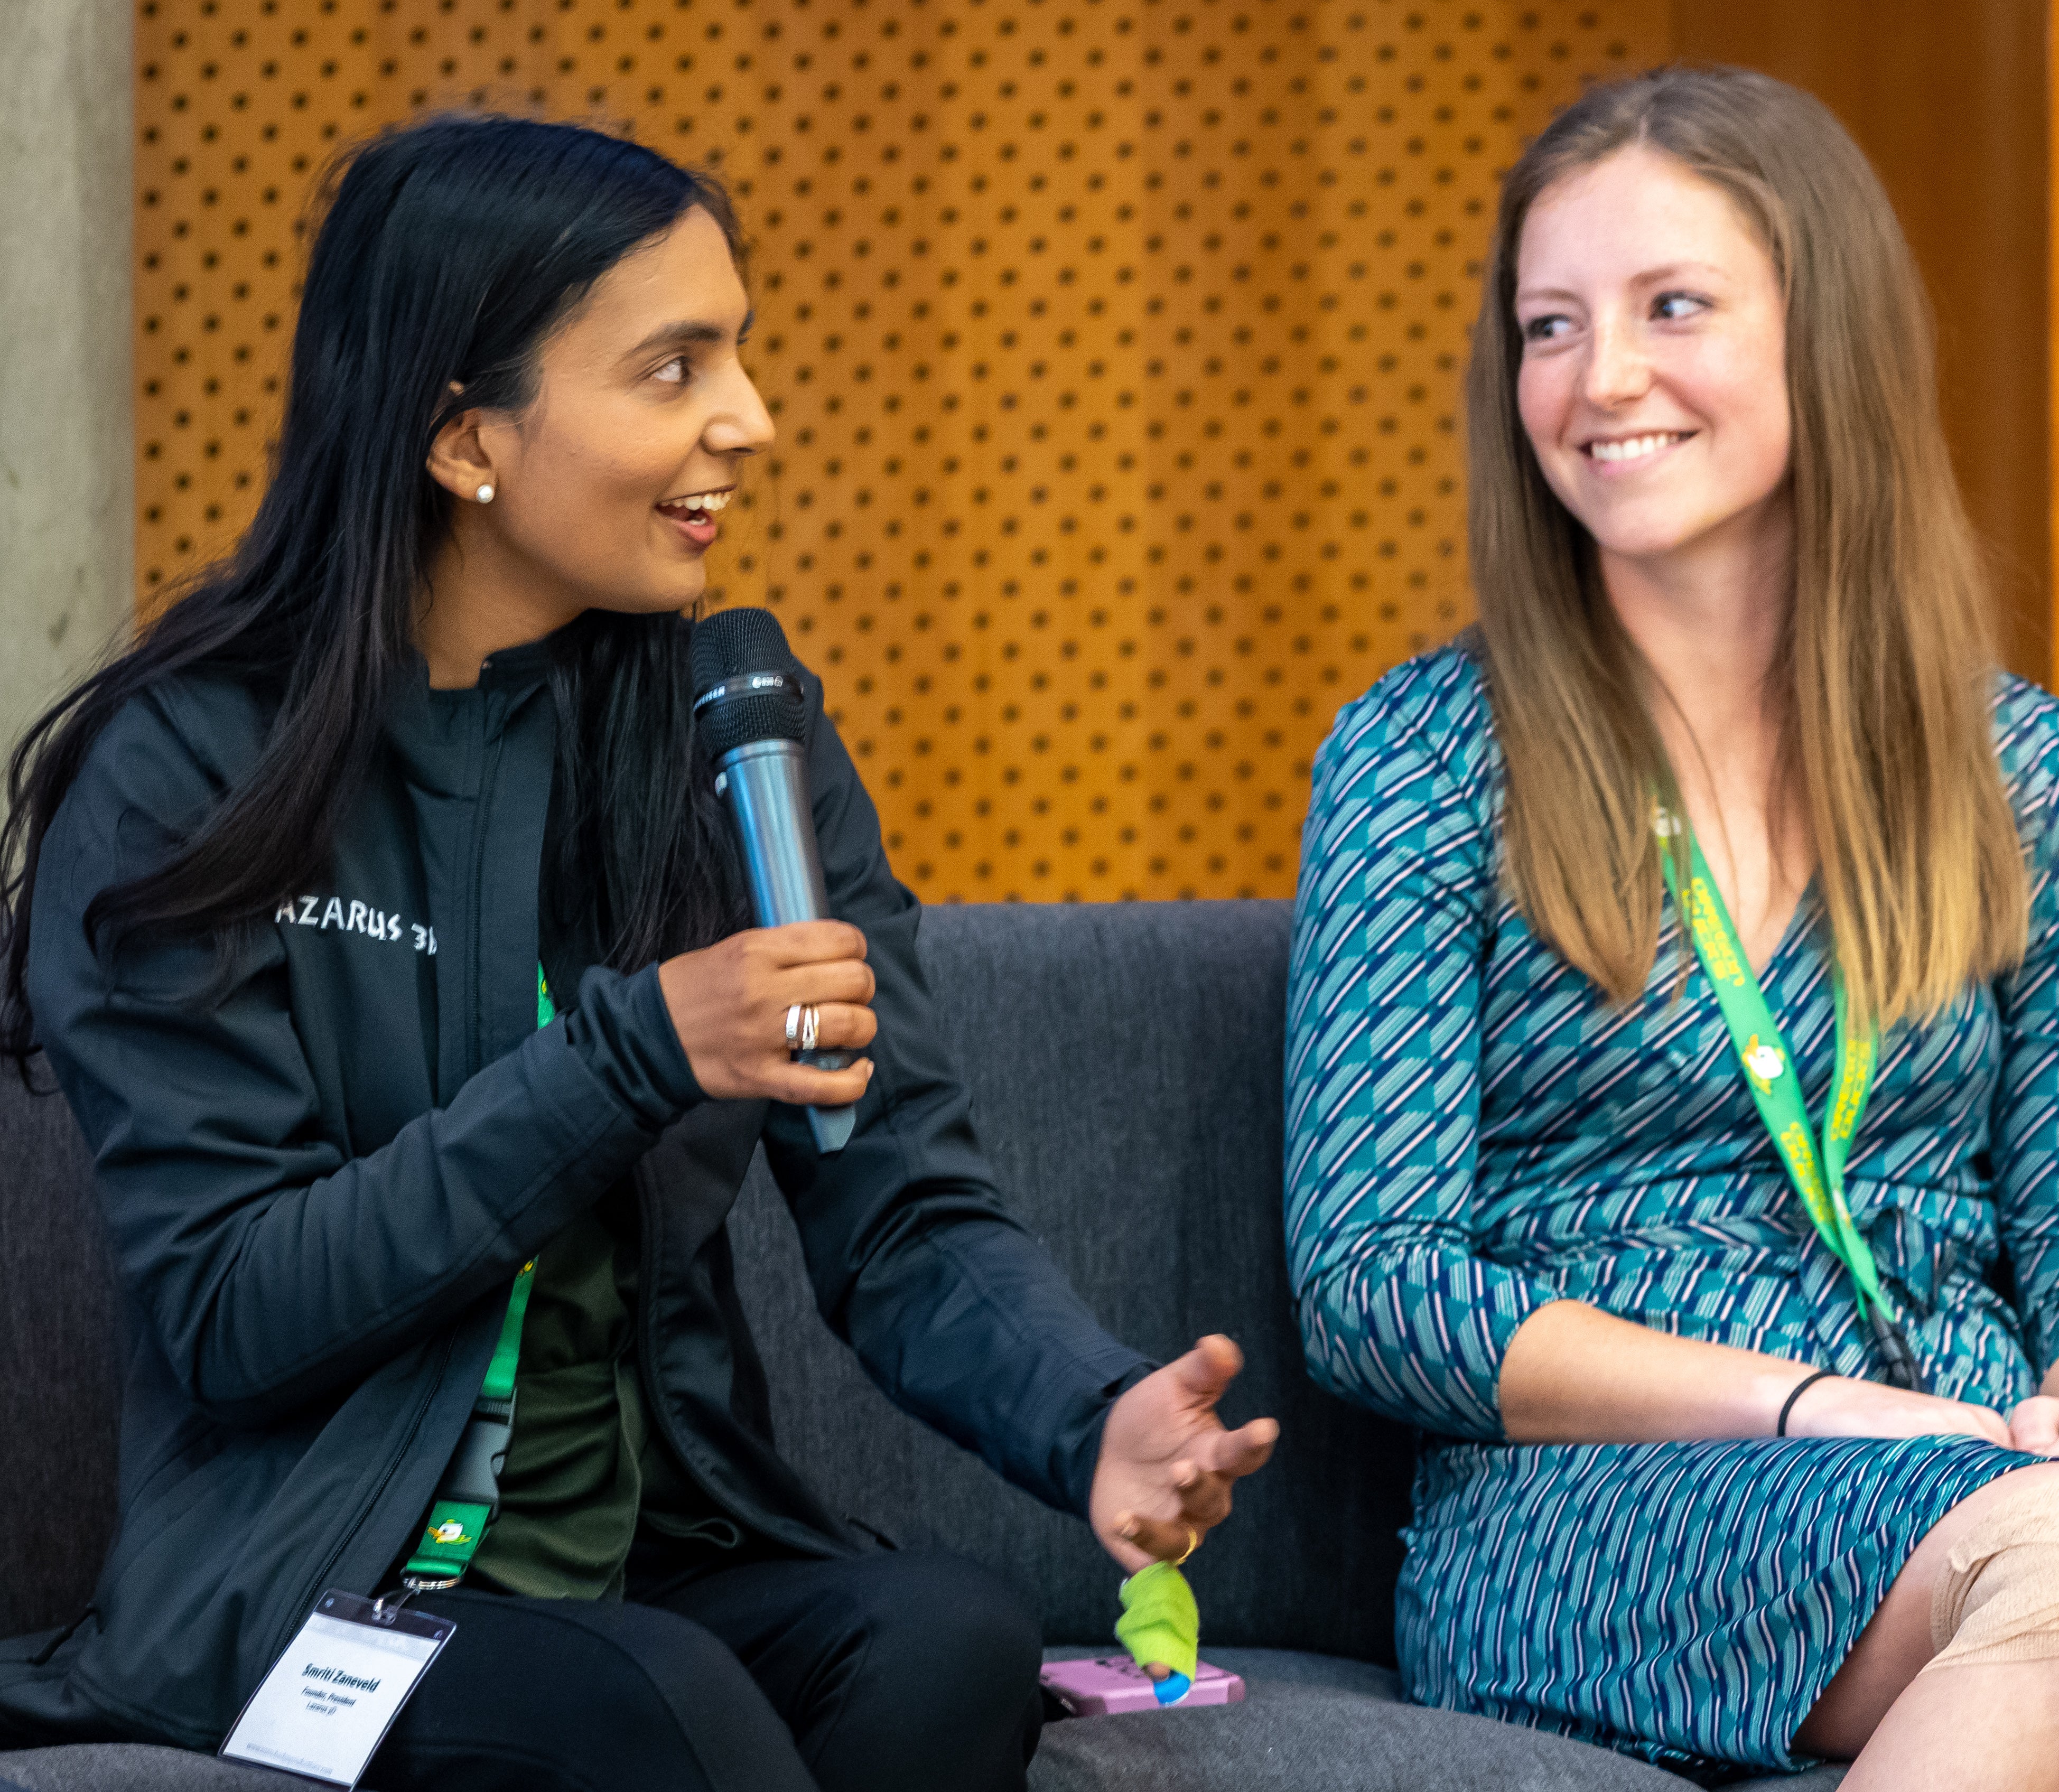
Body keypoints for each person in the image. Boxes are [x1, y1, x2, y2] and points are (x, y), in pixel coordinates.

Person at [1283, 65, 2059, 1790]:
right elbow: (1375, 1286)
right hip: (1602, 1513)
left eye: (1673, 307)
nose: (1600, 379)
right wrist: (1805, 1407)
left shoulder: (2019, 764)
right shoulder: (1426, 755)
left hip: (1993, 1473)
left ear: (1829, 334)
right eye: (1549, 326)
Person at [0, 114, 1275, 1792]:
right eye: (673, 369)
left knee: (944, 1639)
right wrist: (630, 1054)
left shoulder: (734, 741)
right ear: (466, 436)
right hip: (308, 1602)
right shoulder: (194, 770)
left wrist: (1091, 1411)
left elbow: (895, 1202)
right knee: (652, 1706)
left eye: (737, 356)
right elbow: (235, 1308)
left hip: (653, 1558)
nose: (748, 421)